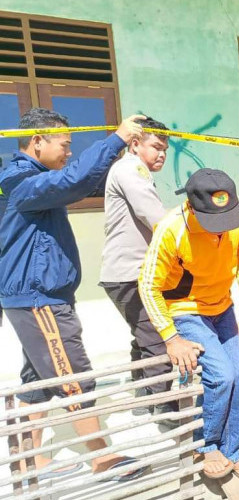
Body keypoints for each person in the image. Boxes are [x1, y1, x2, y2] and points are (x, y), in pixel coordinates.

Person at [0, 108, 147, 479]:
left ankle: (28, 460)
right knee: (74, 378)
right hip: (39, 299)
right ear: (37, 142)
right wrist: (115, 138)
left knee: (38, 382)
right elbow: (72, 181)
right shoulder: (20, 181)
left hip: (35, 297)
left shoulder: (35, 180)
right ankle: (103, 459)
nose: (69, 151)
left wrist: (128, 157)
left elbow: (83, 181)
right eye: (65, 144)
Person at [138, 168, 239, 481]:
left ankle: (232, 449)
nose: (219, 231)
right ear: (191, 207)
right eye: (212, 223)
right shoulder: (171, 228)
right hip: (185, 308)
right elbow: (147, 285)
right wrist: (171, 338)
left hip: (222, 305)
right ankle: (205, 445)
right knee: (221, 376)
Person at [99, 117, 174, 423]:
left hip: (123, 273)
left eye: (166, 149)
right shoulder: (131, 169)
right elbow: (156, 219)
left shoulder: (131, 170)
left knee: (143, 337)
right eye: (156, 146)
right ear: (134, 144)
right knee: (159, 341)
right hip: (131, 274)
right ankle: (166, 414)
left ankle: (143, 402)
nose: (162, 155)